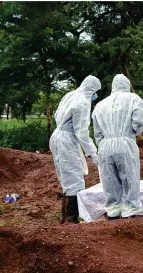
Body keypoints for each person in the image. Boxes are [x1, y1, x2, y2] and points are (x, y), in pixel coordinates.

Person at [92, 74, 143, 219]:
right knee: (130, 177)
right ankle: (130, 211)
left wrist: (103, 144)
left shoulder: (100, 105)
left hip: (105, 145)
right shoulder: (134, 99)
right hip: (125, 142)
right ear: (127, 85)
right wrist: (135, 132)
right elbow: (138, 123)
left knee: (109, 179)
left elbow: (97, 133)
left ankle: (112, 211)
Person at [49, 75, 101, 223]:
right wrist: (92, 151)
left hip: (57, 136)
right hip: (66, 139)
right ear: (92, 89)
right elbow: (81, 131)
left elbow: (58, 115)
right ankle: (71, 220)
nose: (95, 95)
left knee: (66, 179)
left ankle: (66, 218)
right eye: (95, 92)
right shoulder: (83, 102)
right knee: (75, 179)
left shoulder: (70, 95)